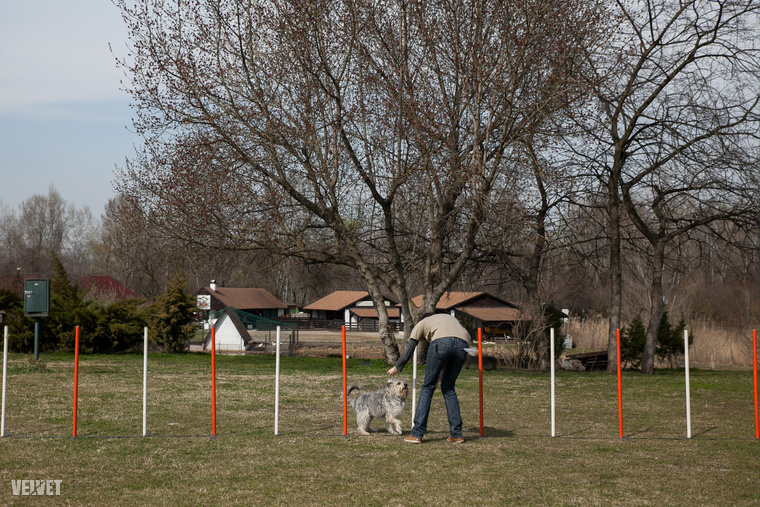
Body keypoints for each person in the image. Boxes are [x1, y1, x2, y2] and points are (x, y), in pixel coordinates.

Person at [387, 312, 471, 444]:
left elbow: (409, 351)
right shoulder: (449, 319)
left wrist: (397, 367)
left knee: (427, 387)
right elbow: (455, 345)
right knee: (449, 388)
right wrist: (439, 379)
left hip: (441, 343)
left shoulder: (421, 323)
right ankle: (456, 434)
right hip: (463, 344)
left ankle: (417, 433)